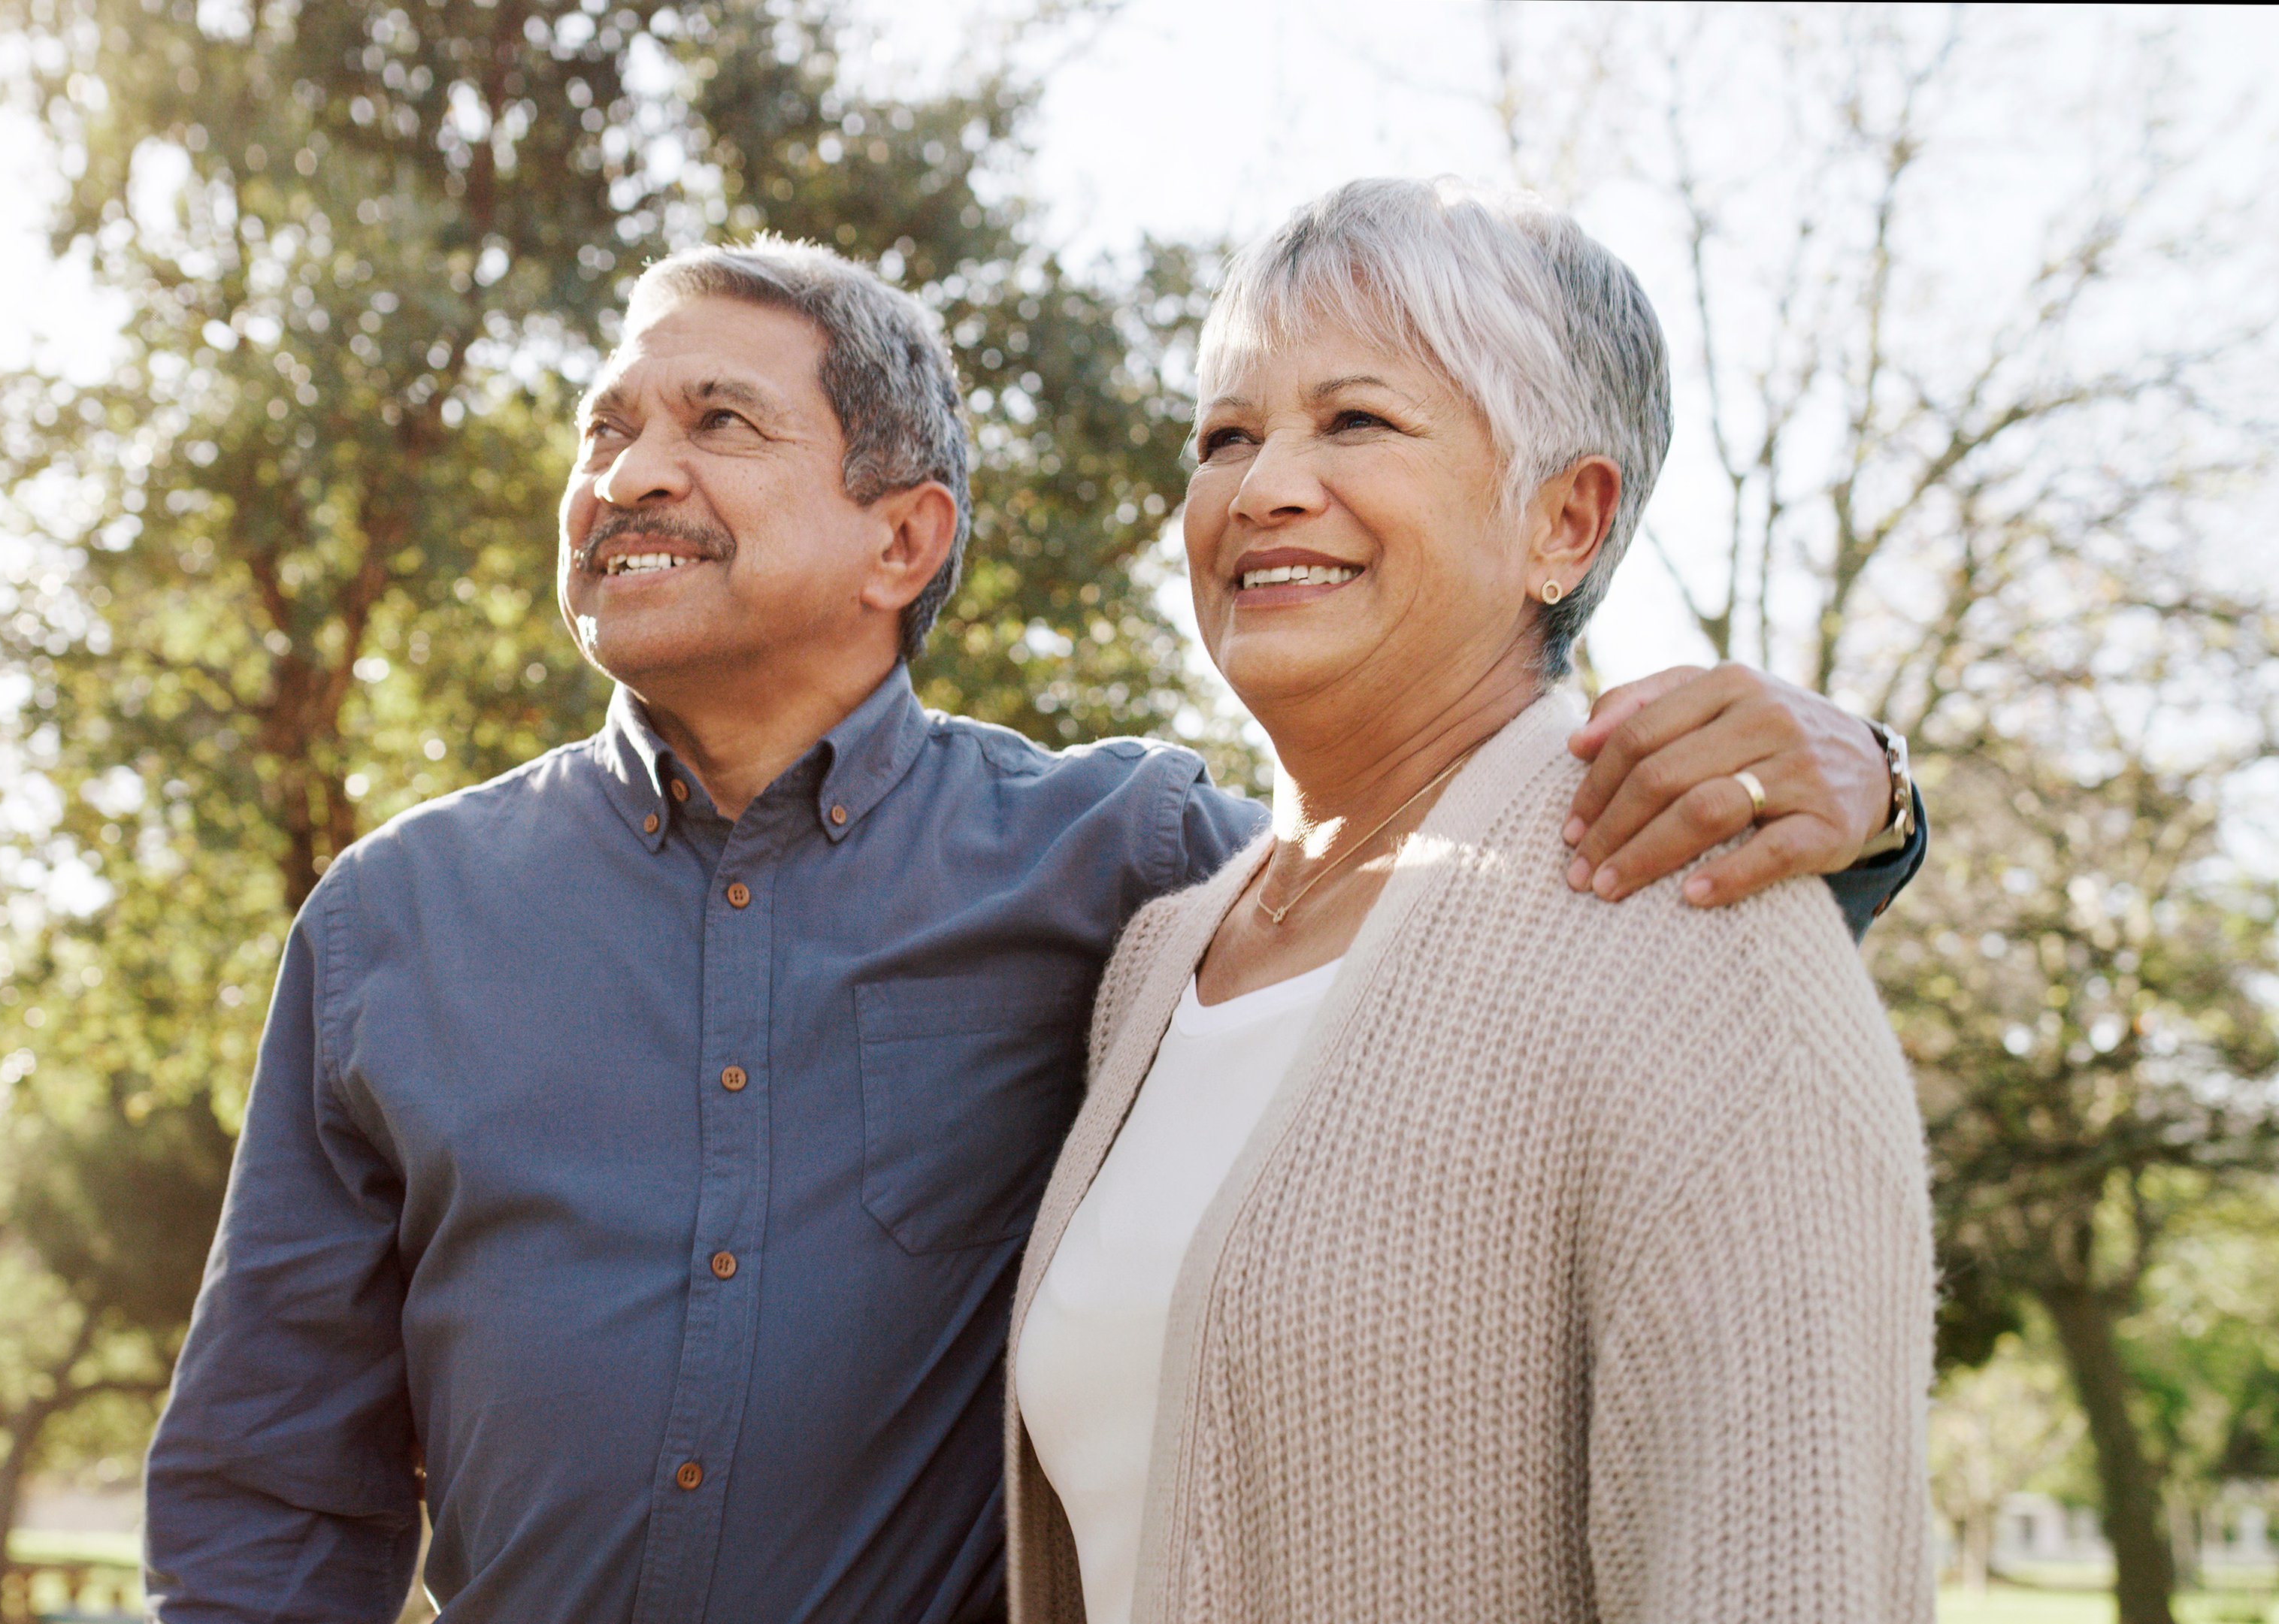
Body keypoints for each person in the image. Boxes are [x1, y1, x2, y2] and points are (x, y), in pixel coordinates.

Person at [144, 235, 1926, 1622]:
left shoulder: (1129, 871)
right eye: (608, 425)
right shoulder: (392, 924)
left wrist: (1866, 801)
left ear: (901, 537)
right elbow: (275, 1489)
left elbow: (1461, 912)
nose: (627, 472)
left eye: (718, 424)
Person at [1007, 179, 1932, 1624]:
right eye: (1226, 437)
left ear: (1565, 520)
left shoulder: (1708, 935)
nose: (1262, 488)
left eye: (1356, 420)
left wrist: (1880, 787)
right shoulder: (1157, 961)